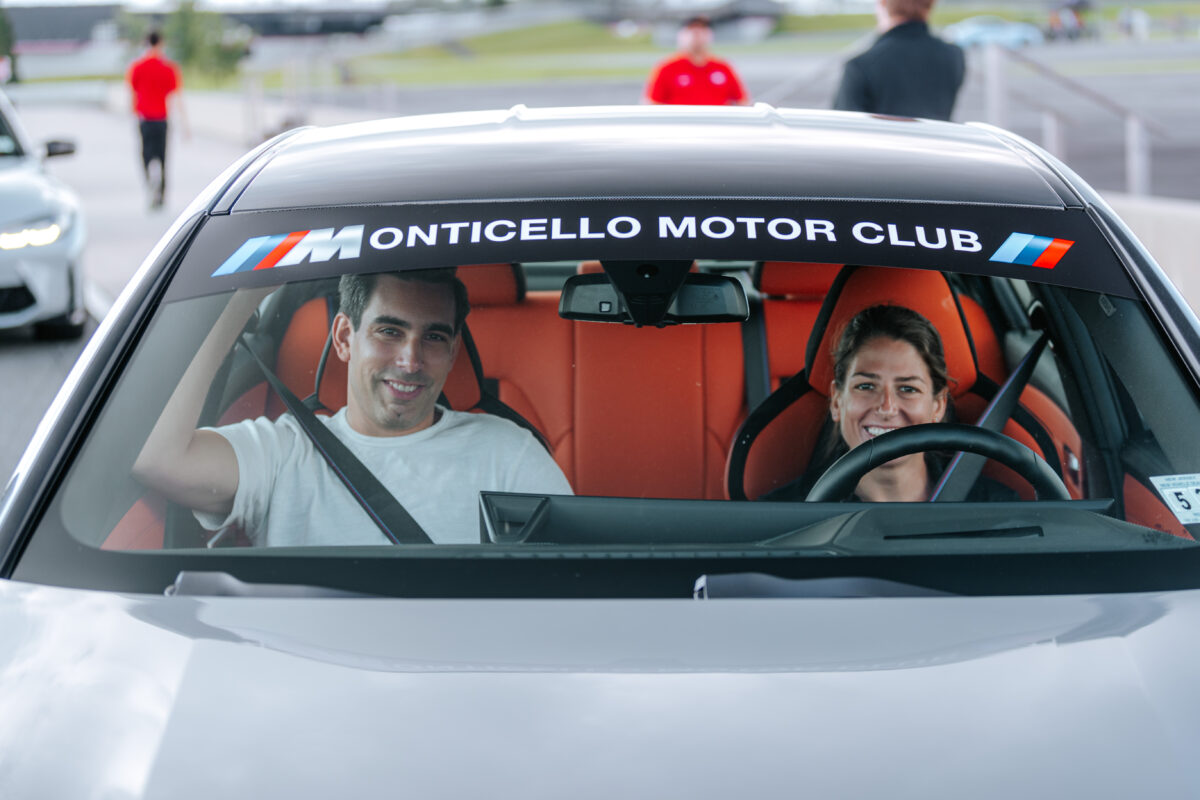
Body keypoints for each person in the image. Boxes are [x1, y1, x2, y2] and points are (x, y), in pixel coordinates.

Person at [132, 268, 573, 546]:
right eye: (389, 331)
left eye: (434, 338)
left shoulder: (509, 451)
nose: (411, 360)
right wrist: (246, 293)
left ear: (454, 351)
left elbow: (573, 583)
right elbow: (160, 461)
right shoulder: (284, 451)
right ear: (344, 338)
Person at [767, 304, 1016, 502]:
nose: (887, 408)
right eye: (866, 386)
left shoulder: (996, 510)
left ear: (937, 406)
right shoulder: (783, 519)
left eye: (908, 389)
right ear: (836, 401)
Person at [831, 0, 965, 121]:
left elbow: (845, 127)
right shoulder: (954, 55)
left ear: (883, 4)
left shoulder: (861, 64)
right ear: (930, 5)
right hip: (936, 146)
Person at [127, 30, 185, 209]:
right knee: (163, 157)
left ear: (146, 43)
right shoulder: (169, 68)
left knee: (145, 154)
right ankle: (161, 193)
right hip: (162, 119)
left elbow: (133, 94)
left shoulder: (137, 67)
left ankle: (148, 183)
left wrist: (133, 115)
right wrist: (186, 125)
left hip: (145, 120)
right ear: (161, 44)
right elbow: (176, 97)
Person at [644, 16, 749, 106]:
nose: (697, 34)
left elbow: (742, 101)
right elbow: (653, 104)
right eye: (692, 30)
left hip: (718, 127)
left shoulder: (723, 67)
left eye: (702, 30)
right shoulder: (667, 68)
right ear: (682, 35)